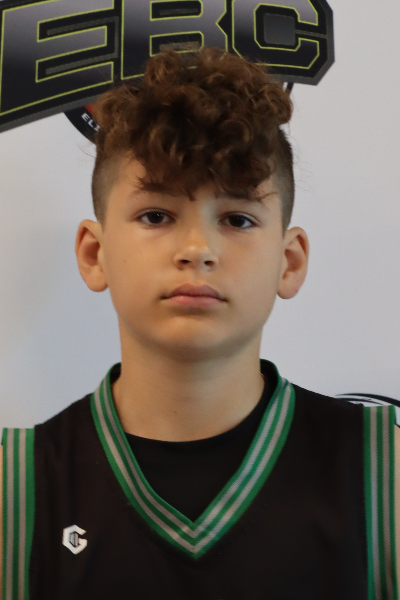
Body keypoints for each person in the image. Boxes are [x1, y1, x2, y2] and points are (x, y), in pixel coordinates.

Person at [0, 46, 399, 599]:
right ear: (95, 253)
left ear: (289, 262)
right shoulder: (15, 491)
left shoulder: (384, 474)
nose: (198, 248)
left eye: (237, 219)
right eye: (156, 215)